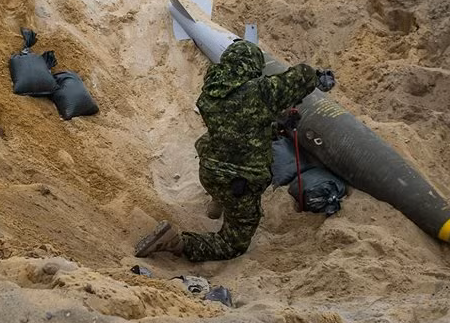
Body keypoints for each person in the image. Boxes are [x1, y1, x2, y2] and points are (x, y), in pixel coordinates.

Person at [135, 39, 335, 262]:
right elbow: (299, 77)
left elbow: (239, 128)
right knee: (233, 244)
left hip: (210, 171)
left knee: (209, 141)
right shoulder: (258, 92)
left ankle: (217, 202)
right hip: (239, 182)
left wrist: (277, 128)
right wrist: (317, 77)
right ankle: (178, 242)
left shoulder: (210, 95)